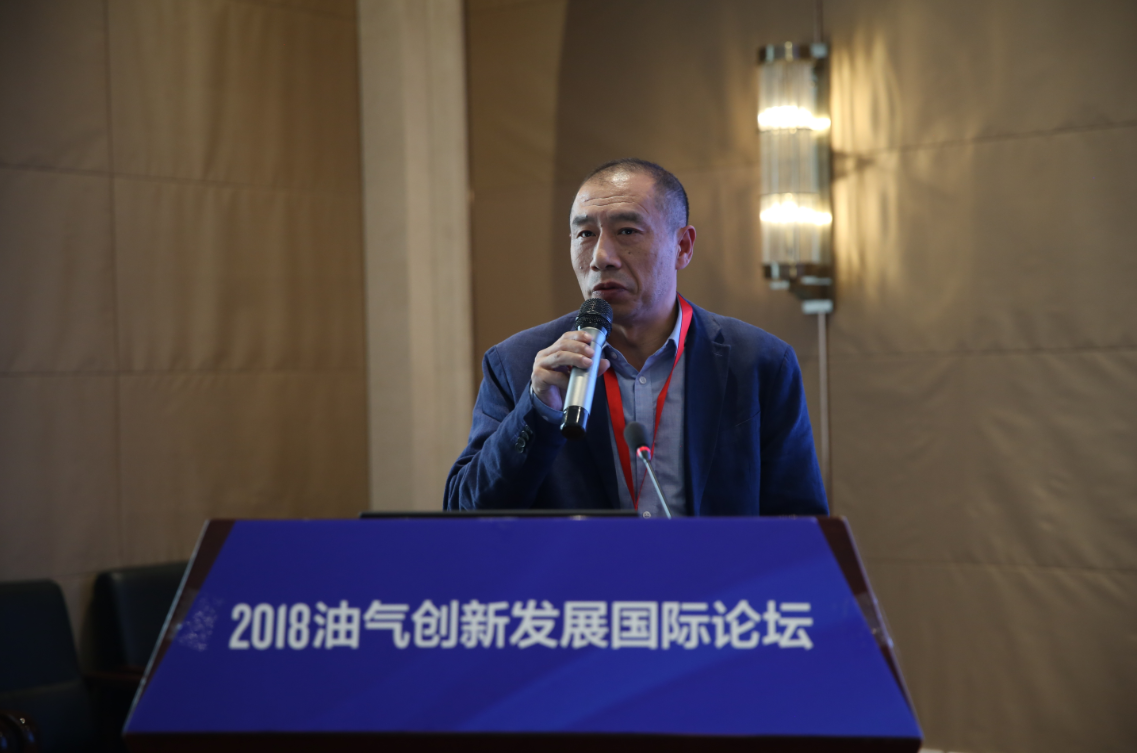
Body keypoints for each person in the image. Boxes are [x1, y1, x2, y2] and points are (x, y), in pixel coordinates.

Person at [444, 158, 827, 517]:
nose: (601, 257)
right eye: (585, 234)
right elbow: (463, 514)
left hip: (714, 570)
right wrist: (538, 409)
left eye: (627, 231)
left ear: (682, 246)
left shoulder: (758, 362)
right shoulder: (517, 364)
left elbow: (800, 523)